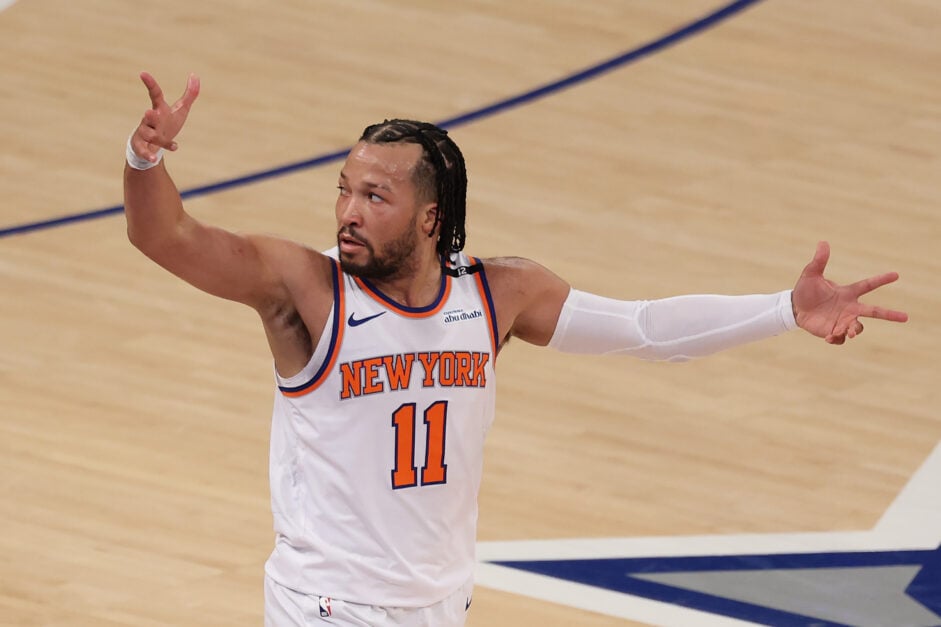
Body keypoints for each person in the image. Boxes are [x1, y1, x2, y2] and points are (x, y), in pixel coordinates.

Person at [123, 72, 908, 627]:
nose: (346, 212)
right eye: (342, 188)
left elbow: (643, 330)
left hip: (439, 600)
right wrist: (146, 159)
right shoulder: (303, 288)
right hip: (326, 602)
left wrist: (781, 307)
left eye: (373, 196)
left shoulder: (498, 295)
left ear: (430, 217)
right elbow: (166, 236)